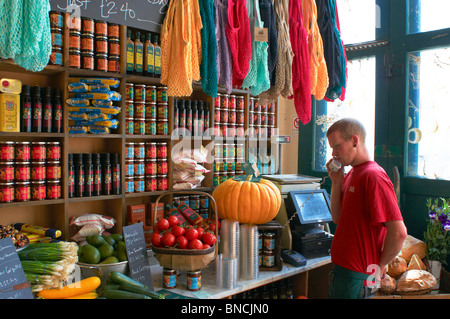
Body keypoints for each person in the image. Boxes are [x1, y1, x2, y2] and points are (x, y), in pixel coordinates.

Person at [326, 118, 407, 299]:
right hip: (344, 272)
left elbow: (399, 232)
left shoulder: (373, 176)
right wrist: (337, 182)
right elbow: (338, 218)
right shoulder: (353, 172)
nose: (333, 153)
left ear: (354, 141)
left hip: (359, 276)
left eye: (337, 146)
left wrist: (381, 265)